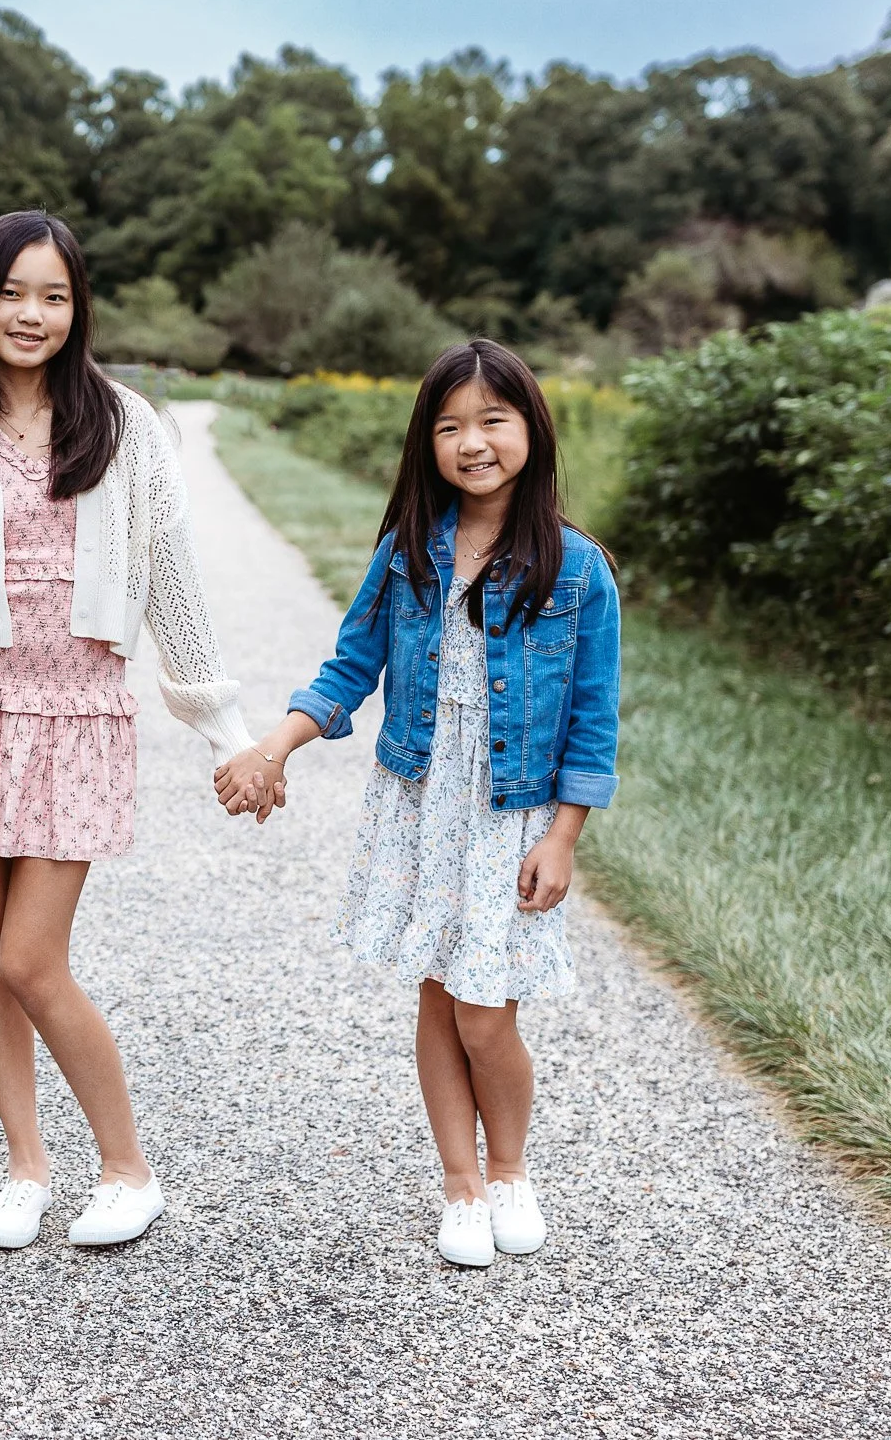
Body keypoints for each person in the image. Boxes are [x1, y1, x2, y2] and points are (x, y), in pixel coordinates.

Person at [0, 208, 254, 1250]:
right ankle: (25, 1168)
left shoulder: (125, 428)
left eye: (52, 294)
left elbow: (175, 587)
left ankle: (128, 1170)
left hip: (77, 720)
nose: (30, 313)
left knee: (33, 958)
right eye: (10, 292)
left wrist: (226, 732)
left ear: (76, 307)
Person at [214, 339, 620, 1267]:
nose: (473, 442)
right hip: (422, 797)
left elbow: (593, 725)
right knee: (439, 998)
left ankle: (510, 1169)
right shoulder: (408, 552)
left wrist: (563, 837)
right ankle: (460, 1185)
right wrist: (274, 744)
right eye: (450, 426)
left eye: (493, 420)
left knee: (487, 1010)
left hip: (511, 811)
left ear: (532, 428)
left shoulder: (581, 568)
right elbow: (352, 665)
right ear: (425, 442)